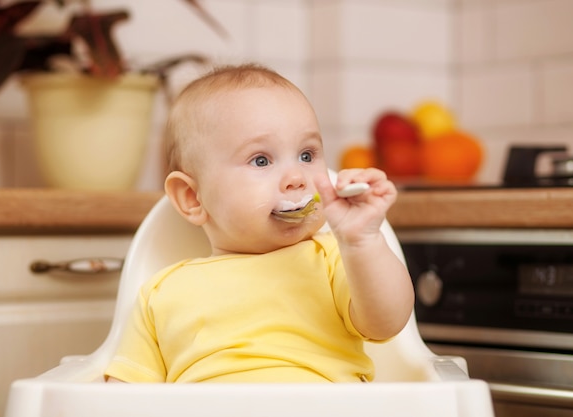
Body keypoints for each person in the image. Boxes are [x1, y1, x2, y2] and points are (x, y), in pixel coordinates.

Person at [104, 63, 414, 383]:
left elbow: (388, 321)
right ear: (193, 198)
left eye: (307, 155)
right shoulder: (161, 293)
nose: (297, 178)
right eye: (261, 160)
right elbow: (121, 399)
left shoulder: (334, 259)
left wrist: (362, 241)